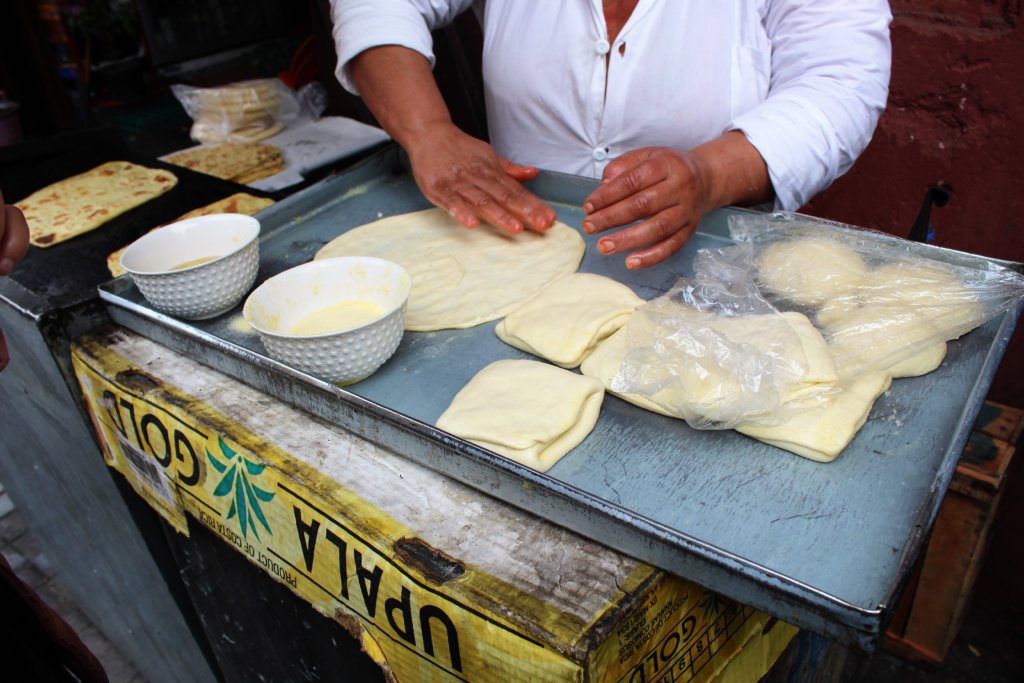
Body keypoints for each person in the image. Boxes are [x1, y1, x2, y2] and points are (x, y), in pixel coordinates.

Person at [327, 0, 891, 268]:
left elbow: (839, 82)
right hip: (507, 248)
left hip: (709, 271)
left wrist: (710, 173)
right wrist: (427, 131)